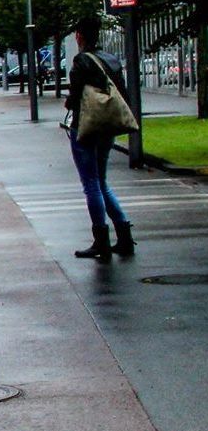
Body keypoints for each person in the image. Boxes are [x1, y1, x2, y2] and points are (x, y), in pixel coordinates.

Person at [63, 16, 134, 260]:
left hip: (86, 128)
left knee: (91, 183)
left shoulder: (81, 61)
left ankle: (100, 240)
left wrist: (69, 103)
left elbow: (75, 97)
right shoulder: (111, 60)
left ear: (79, 36)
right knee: (102, 181)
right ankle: (124, 236)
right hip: (107, 128)